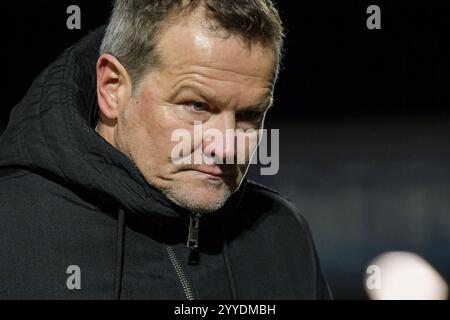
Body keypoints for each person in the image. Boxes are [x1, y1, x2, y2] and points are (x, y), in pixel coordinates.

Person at [0, 0, 331, 299]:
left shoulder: (284, 236)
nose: (228, 147)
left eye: (250, 115)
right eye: (197, 106)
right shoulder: (11, 230)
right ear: (112, 88)